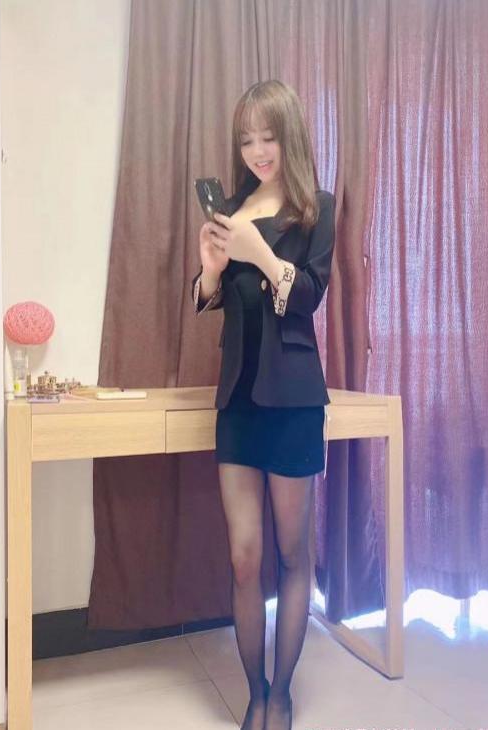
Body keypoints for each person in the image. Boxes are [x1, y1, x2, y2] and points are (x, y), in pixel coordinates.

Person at [191, 79, 336, 730]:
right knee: (245, 556)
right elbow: (216, 300)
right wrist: (212, 269)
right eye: (247, 139)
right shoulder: (232, 210)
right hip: (238, 403)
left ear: (289, 136)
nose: (257, 151)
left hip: (295, 400)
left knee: (293, 553)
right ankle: (255, 691)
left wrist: (263, 256)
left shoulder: (316, 208)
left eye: (268, 137)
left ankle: (282, 696)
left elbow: (308, 297)